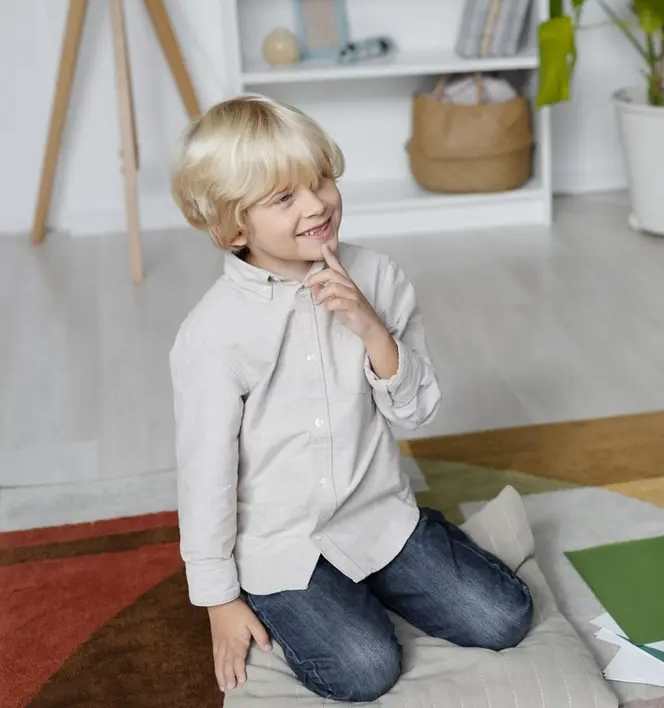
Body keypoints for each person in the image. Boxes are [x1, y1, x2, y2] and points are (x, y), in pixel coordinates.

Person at [168, 95, 533, 702]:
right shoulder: (211, 335)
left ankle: (420, 553)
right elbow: (204, 476)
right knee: (365, 668)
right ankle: (310, 601)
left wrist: (371, 329)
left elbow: (415, 410)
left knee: (504, 618)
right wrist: (219, 600)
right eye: (285, 198)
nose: (317, 205)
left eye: (323, 181)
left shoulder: (380, 277)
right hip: (281, 546)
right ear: (234, 225)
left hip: (378, 518)